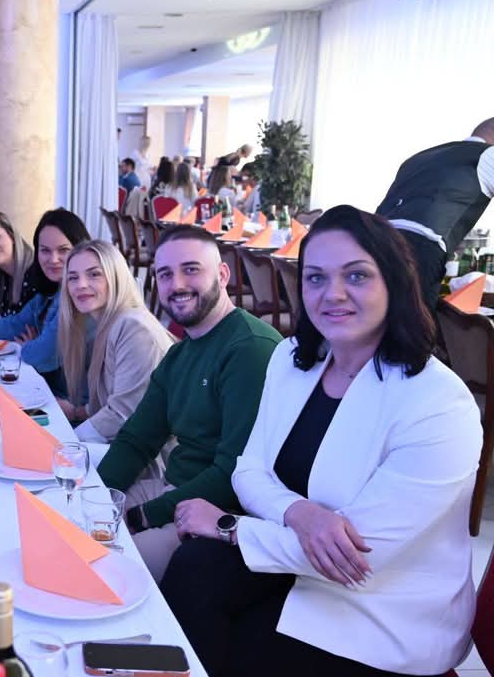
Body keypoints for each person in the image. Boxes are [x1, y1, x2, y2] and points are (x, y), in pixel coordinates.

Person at [161, 205, 480, 677]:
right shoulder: (293, 359)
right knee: (193, 571)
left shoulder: (438, 403)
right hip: (294, 566)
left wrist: (229, 527)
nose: (333, 294)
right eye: (315, 278)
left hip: (378, 609)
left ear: (394, 282)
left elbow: (358, 552)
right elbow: (250, 470)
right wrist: (302, 513)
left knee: (239, 647)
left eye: (356, 275)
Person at [96, 224, 281, 582]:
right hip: (173, 489)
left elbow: (233, 474)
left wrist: (142, 516)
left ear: (222, 275)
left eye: (191, 269)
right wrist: (95, 494)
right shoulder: (180, 354)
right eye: (165, 274)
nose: (177, 284)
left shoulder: (249, 349)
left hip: (218, 513)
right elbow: (137, 439)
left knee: (107, 574)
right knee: (69, 522)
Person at [0, 209, 91, 394]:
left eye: (63, 250)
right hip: (50, 390)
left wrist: (26, 347)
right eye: (45, 250)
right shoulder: (48, 294)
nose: (53, 259)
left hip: (71, 402)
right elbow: (15, 324)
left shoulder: (78, 297)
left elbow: (40, 356)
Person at [57, 240, 174, 442]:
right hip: (124, 444)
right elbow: (118, 396)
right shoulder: (109, 323)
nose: (81, 284)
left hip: (150, 456)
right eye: (73, 278)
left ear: (116, 277)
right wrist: (76, 412)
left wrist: (65, 445)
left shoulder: (134, 327)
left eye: (94, 274)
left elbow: (122, 414)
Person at [375, 117, 494, 310]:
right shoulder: (488, 155)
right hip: (418, 249)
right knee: (413, 323)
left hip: (373, 240)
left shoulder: (419, 157)